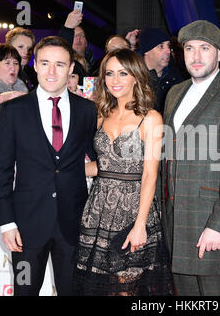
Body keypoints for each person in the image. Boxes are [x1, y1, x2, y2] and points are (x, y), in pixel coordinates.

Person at [0, 36, 97, 296]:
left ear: (71, 68)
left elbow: (99, 159)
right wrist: (7, 223)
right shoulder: (13, 111)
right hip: (26, 229)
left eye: (60, 64)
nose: (52, 72)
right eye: (45, 63)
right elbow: (3, 170)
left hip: (74, 226)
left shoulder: (87, 110)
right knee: (25, 291)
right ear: (35, 66)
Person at [161, 20, 220, 296]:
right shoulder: (174, 93)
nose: (196, 55)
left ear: (218, 54)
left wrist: (219, 226)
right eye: (190, 48)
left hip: (210, 224)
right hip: (175, 222)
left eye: (205, 48)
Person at [73, 48, 173, 296]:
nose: (115, 80)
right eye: (109, 74)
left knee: (129, 287)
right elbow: (103, 166)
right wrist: (58, 172)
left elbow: (150, 173)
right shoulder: (100, 116)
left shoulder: (150, 118)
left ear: (136, 77)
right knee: (99, 287)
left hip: (134, 211)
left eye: (122, 73)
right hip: (98, 211)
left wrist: (140, 224)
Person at [136, 27, 185, 114]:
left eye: (168, 46)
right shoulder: (134, 79)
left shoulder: (176, 77)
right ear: (146, 51)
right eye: (161, 46)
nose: (168, 51)